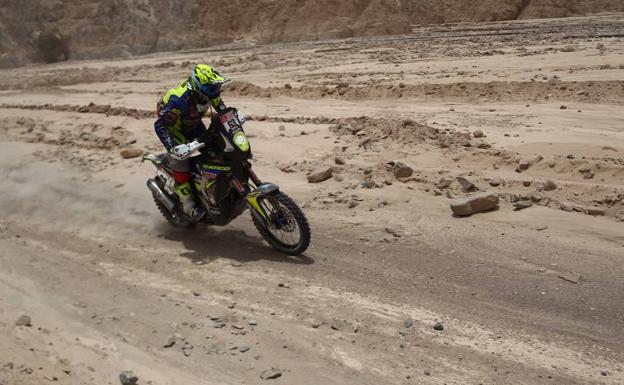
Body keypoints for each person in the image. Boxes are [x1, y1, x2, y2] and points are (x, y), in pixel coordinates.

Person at [154, 64, 229, 221]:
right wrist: (173, 147)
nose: (214, 91)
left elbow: (222, 109)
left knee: (214, 146)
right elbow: (160, 125)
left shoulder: (209, 92)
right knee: (181, 161)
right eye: (210, 88)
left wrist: (233, 118)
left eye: (216, 87)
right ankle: (188, 205)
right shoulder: (179, 100)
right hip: (175, 129)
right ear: (197, 85)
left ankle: (211, 188)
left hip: (193, 123)